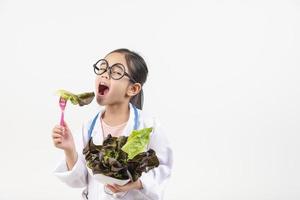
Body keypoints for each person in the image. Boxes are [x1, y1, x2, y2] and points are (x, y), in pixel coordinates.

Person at [52, 48, 173, 200]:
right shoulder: (89, 128)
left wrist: (137, 183)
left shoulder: (149, 127)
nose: (104, 73)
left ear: (133, 89)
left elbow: (164, 169)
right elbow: (79, 180)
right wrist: (69, 149)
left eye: (116, 72)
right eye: (102, 68)